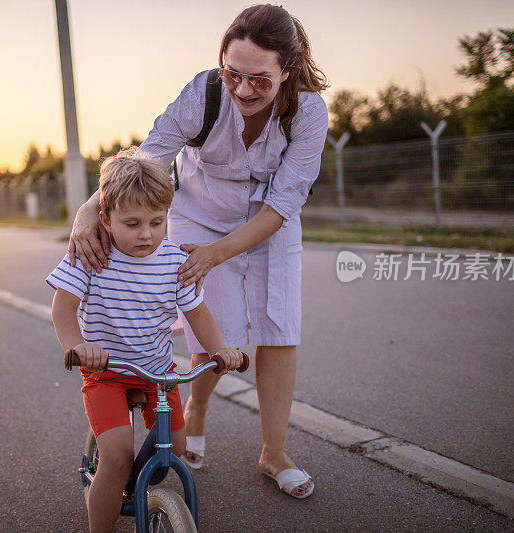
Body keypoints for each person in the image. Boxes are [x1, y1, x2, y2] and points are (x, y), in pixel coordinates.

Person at [68, 4, 328, 499]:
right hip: (200, 214)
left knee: (278, 330)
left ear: (287, 73)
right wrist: (88, 212)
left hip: (270, 223)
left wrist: (215, 255)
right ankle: (199, 409)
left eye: (260, 81)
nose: (243, 89)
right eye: (234, 73)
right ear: (221, 62)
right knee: (217, 336)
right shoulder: (205, 93)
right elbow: (148, 157)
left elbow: (282, 207)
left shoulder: (308, 111)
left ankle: (274, 452)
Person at [48, 148, 243, 533]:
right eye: (132, 223)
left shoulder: (173, 261)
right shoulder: (92, 255)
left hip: (157, 374)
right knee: (117, 459)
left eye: (157, 222)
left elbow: (197, 313)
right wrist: (78, 348)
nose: (147, 234)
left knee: (179, 448)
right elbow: (63, 310)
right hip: (107, 373)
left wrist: (220, 349)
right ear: (105, 218)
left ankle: (144, 483)